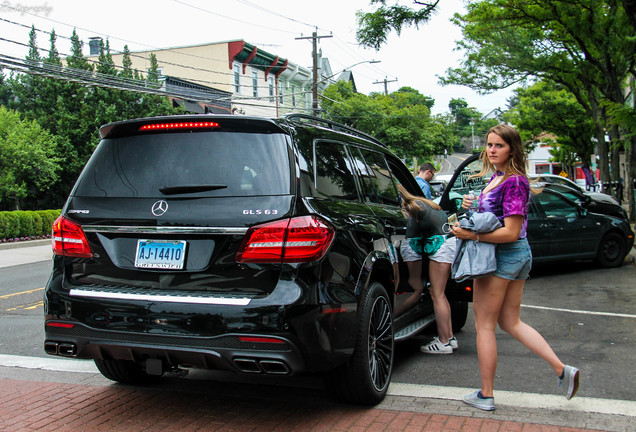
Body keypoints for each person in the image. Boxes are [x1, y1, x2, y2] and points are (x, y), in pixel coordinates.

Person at [450, 124, 580, 411]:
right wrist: (472, 205)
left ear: (513, 149)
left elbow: (510, 231)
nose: (492, 150)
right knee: (510, 322)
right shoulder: (497, 179)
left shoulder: (514, 181)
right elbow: (494, 219)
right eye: (489, 144)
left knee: (483, 325)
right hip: (511, 256)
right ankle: (562, 370)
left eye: (499, 145)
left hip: (504, 255)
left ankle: (486, 395)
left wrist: (470, 234)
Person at [397, 185, 458, 353]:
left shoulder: (411, 209)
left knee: (436, 294)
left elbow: (412, 242)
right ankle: (449, 338)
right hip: (449, 243)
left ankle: (443, 342)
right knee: (441, 294)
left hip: (441, 247)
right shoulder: (423, 203)